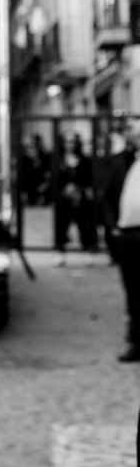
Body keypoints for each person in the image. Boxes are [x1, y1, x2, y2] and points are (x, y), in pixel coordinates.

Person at [103, 123, 140, 362]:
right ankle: (136, 340)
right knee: (134, 290)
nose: (132, 133)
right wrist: (113, 228)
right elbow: (108, 196)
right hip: (127, 235)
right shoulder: (123, 162)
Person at [55, 130, 96, 257]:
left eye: (72, 141)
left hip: (80, 197)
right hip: (63, 198)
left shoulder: (84, 160)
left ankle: (87, 249)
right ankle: (60, 252)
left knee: (84, 224)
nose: (70, 145)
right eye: (67, 141)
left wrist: (80, 189)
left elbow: (88, 179)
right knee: (62, 225)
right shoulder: (58, 160)